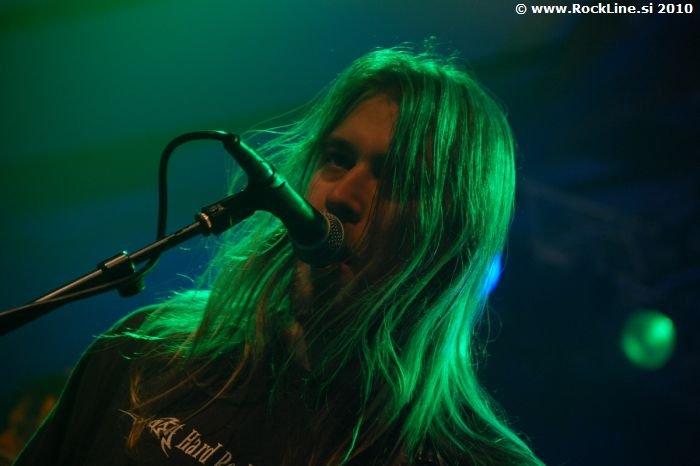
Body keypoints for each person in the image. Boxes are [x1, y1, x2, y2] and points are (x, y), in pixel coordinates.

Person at [15, 45, 543, 466]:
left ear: (454, 236)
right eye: (337, 158)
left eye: (398, 178)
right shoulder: (149, 349)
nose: (342, 195)